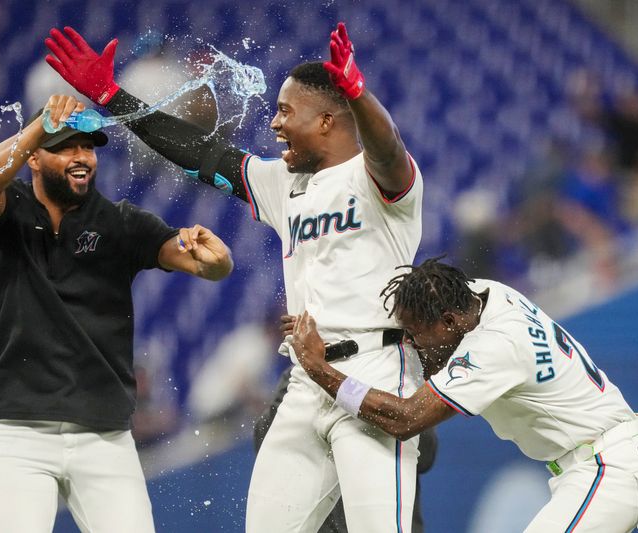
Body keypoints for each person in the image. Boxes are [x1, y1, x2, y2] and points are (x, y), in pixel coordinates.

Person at [45, 22, 424, 532]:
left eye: (287, 112)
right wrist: (113, 97)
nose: (275, 123)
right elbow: (198, 152)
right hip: (306, 384)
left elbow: (389, 148)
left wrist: (359, 93)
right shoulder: (280, 182)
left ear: (329, 121)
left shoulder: (379, 179)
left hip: (376, 371)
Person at [0, 94, 234, 533]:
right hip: (15, 432)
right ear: (33, 157)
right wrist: (36, 129)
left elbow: (200, 262)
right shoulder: (6, 211)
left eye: (88, 147)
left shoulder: (120, 223)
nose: (82, 157)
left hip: (103, 435)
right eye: (66, 146)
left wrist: (216, 263)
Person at [290, 257, 638, 532]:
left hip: (608, 470)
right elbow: (423, 335)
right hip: (597, 463)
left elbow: (405, 419)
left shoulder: (494, 348)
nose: (412, 342)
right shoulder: (485, 295)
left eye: (417, 332)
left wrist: (319, 367)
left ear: (450, 322)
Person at [253, 365, 438, 533]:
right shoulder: (304, 374)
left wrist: (368, 407)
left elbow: (426, 456)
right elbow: (266, 440)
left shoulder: (395, 375)